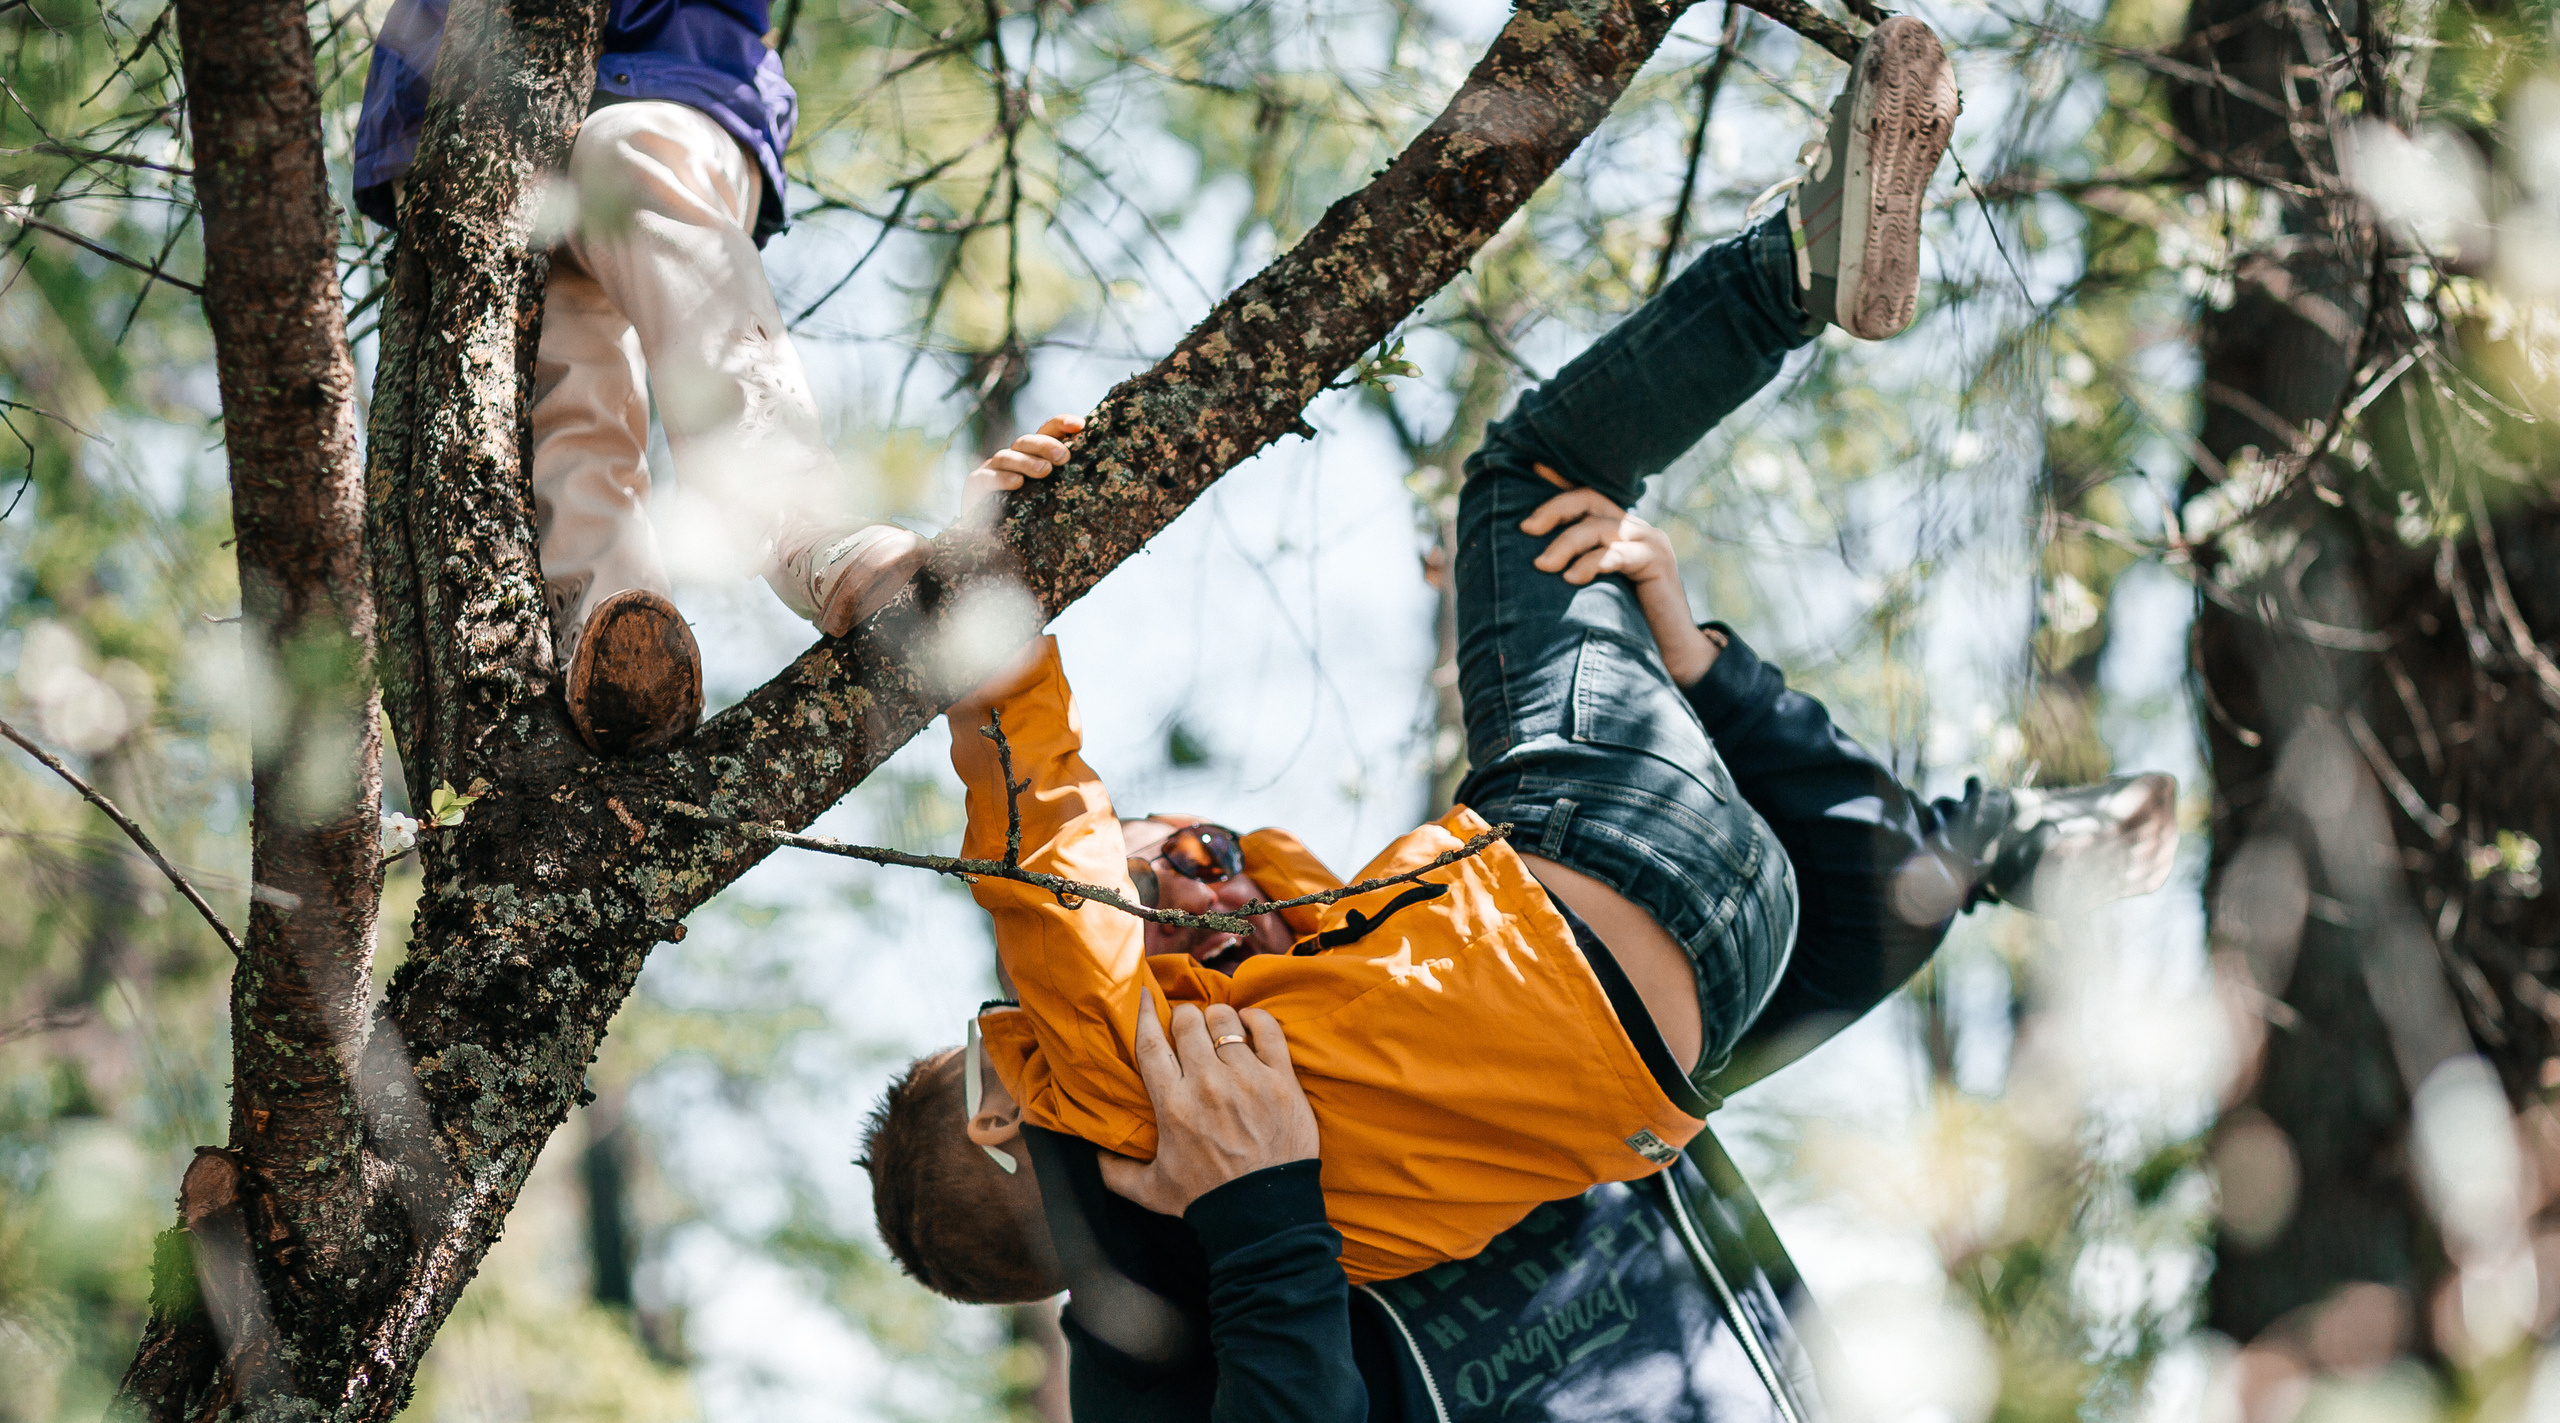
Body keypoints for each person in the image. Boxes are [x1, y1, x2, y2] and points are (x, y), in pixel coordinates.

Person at [861, 14, 2175, 1297]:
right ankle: (1800, 265)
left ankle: (2005, 839)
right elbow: (1042, 844)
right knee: (1530, 477)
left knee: (1875, 882)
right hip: (1608, 874)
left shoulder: (1292, 1218)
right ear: (1002, 1118)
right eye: (1000, 1046)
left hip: (1713, 995)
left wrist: (1217, 877)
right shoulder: (1101, 1072)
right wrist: (991, 572)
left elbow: (1328, 927)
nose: (1017, 1026)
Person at [354, 0, 926, 755]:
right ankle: (613, 633)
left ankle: (797, 519)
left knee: (628, 154)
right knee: (545, 341)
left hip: (671, 85)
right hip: (467, 128)